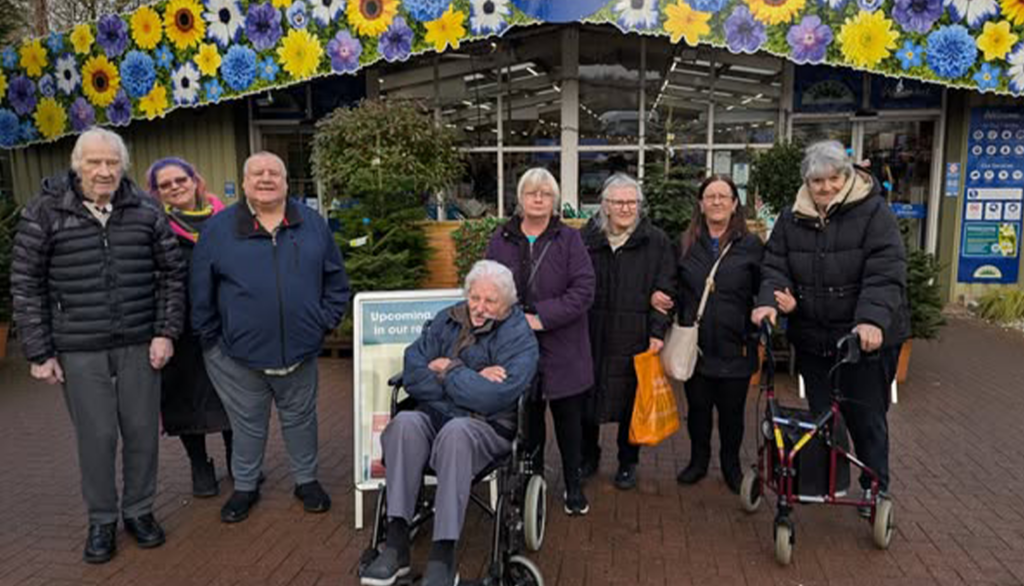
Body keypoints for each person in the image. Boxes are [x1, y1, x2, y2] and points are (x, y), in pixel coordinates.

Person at [11, 127, 186, 563]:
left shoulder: (146, 208)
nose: (104, 171)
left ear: (123, 166)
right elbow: (26, 283)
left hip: (140, 342)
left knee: (142, 432)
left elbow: (171, 274)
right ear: (78, 166)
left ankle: (140, 511)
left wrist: (165, 332)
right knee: (98, 436)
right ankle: (102, 519)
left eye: (112, 162)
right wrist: (39, 352)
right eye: (94, 162)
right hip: (78, 345)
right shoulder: (45, 211)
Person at [190, 151, 351, 523]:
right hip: (237, 357)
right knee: (247, 422)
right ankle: (245, 486)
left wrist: (322, 323)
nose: (265, 178)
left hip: (301, 351)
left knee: (301, 419)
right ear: (244, 182)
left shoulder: (312, 224)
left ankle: (306, 481)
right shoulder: (218, 230)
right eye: (257, 173)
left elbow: (335, 280)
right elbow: (200, 290)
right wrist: (212, 342)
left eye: (274, 173)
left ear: (286, 182)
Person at [359, 260, 539, 586]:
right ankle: (396, 545)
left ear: (507, 303)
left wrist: (449, 369)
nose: (479, 308)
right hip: (435, 416)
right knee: (404, 424)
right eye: (474, 297)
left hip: (485, 427)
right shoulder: (447, 319)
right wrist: (472, 378)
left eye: (490, 301)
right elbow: (413, 373)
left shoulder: (518, 337)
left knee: (457, 433)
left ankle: (443, 556)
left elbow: (493, 397)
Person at [751, 140, 908, 510]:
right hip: (814, 337)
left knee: (866, 417)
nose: (826, 188)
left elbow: (885, 272)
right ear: (807, 182)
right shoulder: (792, 217)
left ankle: (875, 487)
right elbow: (775, 267)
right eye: (817, 181)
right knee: (824, 417)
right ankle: (828, 479)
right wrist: (769, 302)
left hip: (863, 341)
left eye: (833, 179)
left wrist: (870, 320)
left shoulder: (873, 212)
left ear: (847, 175)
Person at [486, 167, 596, 516]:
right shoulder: (501, 238)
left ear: (554, 200)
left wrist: (542, 317)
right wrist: (510, 317)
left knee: (569, 423)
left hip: (564, 345)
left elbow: (584, 290)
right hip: (517, 346)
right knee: (528, 422)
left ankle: (573, 485)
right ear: (520, 199)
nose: (538, 198)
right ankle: (532, 483)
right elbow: (488, 284)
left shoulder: (569, 239)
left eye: (545, 193)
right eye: (531, 193)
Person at [653, 175, 764, 494]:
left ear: (734, 204)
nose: (716, 202)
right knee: (698, 411)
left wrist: (769, 308)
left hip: (736, 346)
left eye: (723, 196)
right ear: (701, 205)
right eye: (710, 197)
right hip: (696, 347)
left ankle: (731, 466)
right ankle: (698, 461)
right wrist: (659, 296)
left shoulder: (751, 246)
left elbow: (764, 287)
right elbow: (671, 285)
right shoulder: (685, 244)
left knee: (732, 415)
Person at [580, 173, 675, 490]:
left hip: (635, 333)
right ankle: (587, 456)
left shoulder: (656, 241)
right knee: (587, 396)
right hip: (591, 332)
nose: (625, 208)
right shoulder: (585, 239)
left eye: (631, 202)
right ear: (605, 206)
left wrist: (657, 332)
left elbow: (665, 288)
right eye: (618, 202)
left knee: (632, 401)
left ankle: (627, 462)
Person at [146, 157, 233, 498]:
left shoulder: (226, 221)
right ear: (157, 193)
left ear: (195, 180)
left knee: (232, 398)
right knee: (185, 401)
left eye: (180, 180)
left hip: (224, 327)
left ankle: (239, 460)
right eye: (165, 185)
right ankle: (200, 465)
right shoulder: (154, 228)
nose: (175, 187)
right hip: (178, 330)